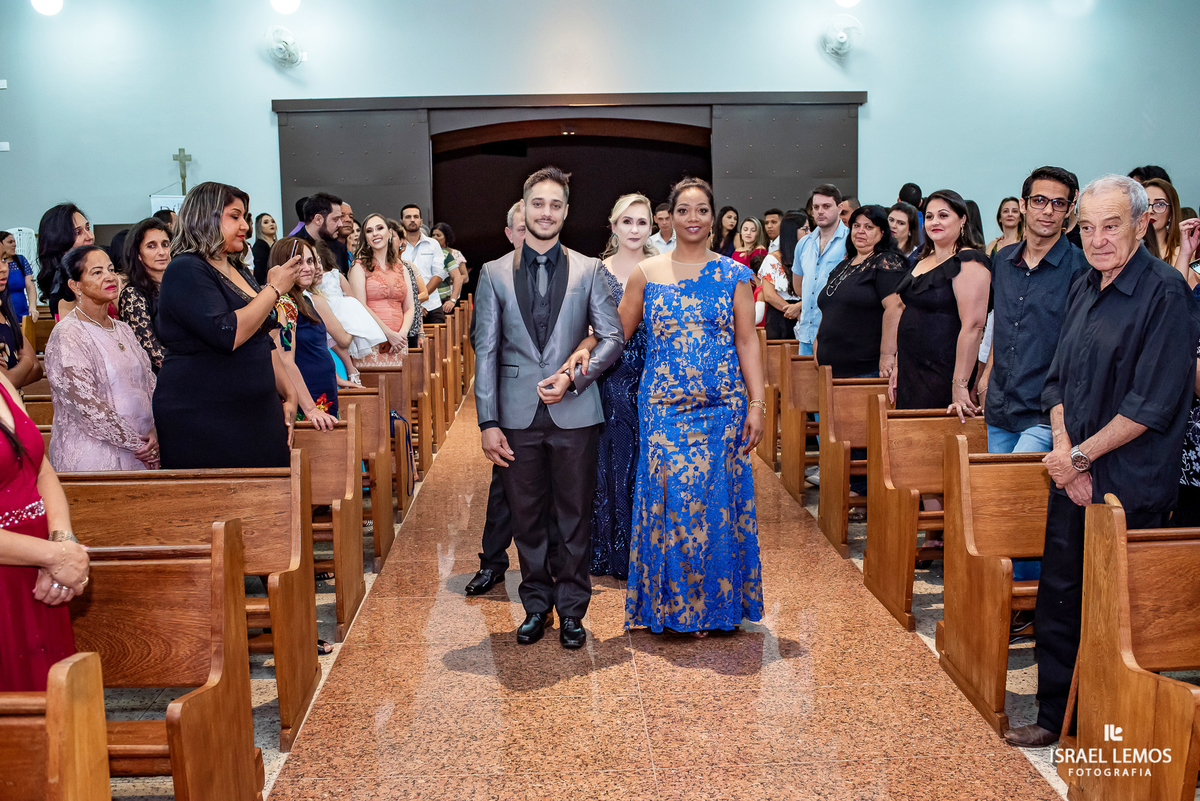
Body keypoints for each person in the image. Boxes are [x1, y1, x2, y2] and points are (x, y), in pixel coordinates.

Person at [1004, 174, 1200, 748]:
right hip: (1074, 474)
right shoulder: (1084, 286)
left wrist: (1083, 460)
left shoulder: (1164, 293)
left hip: (1128, 484)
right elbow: (1058, 378)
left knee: (1118, 618)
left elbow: (1153, 403)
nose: (1097, 239)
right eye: (1085, 227)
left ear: (1143, 224)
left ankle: (1112, 727)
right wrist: (1065, 452)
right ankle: (1055, 716)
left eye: (1111, 225)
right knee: (1060, 596)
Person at [474, 167, 623, 649]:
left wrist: (574, 378)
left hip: (576, 413)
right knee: (527, 516)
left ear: (565, 211)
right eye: (538, 204)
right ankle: (536, 606)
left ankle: (574, 609)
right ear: (525, 207)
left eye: (555, 205)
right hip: (516, 415)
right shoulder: (493, 272)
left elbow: (612, 337)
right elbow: (487, 351)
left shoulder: (589, 269)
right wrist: (488, 420)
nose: (546, 212)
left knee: (575, 515)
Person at [620, 177, 764, 636]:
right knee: (672, 503)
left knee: (714, 505)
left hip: (722, 408)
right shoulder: (645, 273)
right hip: (662, 407)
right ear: (670, 217)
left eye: (703, 210)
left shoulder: (736, 275)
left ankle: (715, 608)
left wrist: (756, 403)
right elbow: (614, 334)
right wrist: (575, 360)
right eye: (684, 210)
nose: (694, 218)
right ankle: (670, 607)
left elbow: (746, 341)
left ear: (714, 215)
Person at [153, 182, 299, 469]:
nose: (245, 225)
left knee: (272, 498)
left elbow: (262, 338)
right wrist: (274, 288)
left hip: (254, 410)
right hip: (205, 414)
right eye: (235, 216)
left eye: (245, 216)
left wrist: (289, 392)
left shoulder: (239, 269)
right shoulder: (185, 268)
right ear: (205, 217)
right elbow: (227, 333)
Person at [978, 167, 1088, 455]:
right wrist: (987, 374)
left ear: (1069, 210)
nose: (1048, 210)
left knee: (1017, 491)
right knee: (998, 493)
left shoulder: (1082, 268)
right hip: (1000, 404)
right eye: (1039, 200)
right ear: (1024, 204)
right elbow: (1001, 324)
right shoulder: (1002, 260)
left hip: (1046, 408)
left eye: (1058, 203)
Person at [0, 367, 89, 692]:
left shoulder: (1, 380)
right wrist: (55, 556)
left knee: (54, 713)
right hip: (10, 580)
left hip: (39, 580)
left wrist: (62, 540)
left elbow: (40, 468)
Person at [465, 199, 533, 597]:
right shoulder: (494, 274)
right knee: (504, 484)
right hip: (513, 395)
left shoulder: (570, 269)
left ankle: (552, 563)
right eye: (521, 228)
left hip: (558, 396)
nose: (530, 234)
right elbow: (482, 342)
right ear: (510, 233)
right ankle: (492, 563)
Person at [585, 193, 653, 579]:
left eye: (641, 222)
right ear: (613, 226)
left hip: (657, 376)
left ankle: (650, 549)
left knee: (651, 462)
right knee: (614, 462)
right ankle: (613, 550)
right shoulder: (596, 270)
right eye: (626, 221)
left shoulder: (663, 268)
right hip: (612, 377)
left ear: (651, 227)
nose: (634, 229)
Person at [45, 246, 157, 472]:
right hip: (97, 456)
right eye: (96, 272)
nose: (109, 277)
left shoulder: (123, 329)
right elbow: (87, 407)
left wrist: (155, 432)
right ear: (75, 285)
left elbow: (149, 382)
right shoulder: (67, 334)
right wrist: (139, 446)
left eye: (111, 269)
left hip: (144, 449)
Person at [889, 190, 990, 420]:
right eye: (930, 216)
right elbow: (908, 313)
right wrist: (898, 366)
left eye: (943, 215)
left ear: (962, 219)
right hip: (911, 370)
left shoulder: (969, 261)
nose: (935, 222)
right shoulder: (922, 260)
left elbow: (973, 327)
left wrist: (960, 385)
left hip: (942, 372)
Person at [814, 205, 907, 380]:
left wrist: (887, 357)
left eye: (869, 227)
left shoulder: (886, 262)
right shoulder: (843, 266)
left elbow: (895, 308)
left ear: (883, 232)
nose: (860, 231)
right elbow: (830, 308)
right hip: (829, 369)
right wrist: (818, 344)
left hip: (864, 369)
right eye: (856, 226)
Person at [269, 239, 344, 425]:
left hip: (322, 395)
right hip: (307, 401)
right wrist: (310, 408)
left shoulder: (305, 301)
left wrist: (337, 378)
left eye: (310, 261)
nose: (307, 267)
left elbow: (312, 349)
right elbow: (284, 360)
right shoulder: (284, 303)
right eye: (298, 262)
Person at [350, 213, 415, 362]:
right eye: (369, 230)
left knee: (401, 384)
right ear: (365, 238)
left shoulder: (402, 268)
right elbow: (360, 306)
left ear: (389, 233)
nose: (375, 234)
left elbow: (410, 307)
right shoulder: (359, 267)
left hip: (399, 342)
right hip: (372, 341)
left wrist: (402, 335)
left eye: (379, 228)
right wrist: (388, 334)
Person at [792, 184, 848, 355]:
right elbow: (798, 286)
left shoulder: (850, 240)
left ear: (839, 208)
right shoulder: (804, 243)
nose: (820, 211)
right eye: (816, 207)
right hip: (807, 332)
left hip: (838, 334)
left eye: (826, 206)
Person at [117, 217, 171, 372]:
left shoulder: (178, 287)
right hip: (161, 377)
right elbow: (150, 352)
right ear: (138, 254)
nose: (161, 252)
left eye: (165, 244)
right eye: (151, 246)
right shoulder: (133, 295)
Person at [400, 204, 459, 325]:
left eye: (416, 217)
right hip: (404, 307)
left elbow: (438, 275)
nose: (412, 220)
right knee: (409, 343)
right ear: (401, 221)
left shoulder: (433, 244)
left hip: (433, 304)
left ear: (421, 221)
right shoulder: (396, 246)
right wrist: (413, 304)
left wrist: (419, 299)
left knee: (441, 341)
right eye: (408, 217)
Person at [36, 203, 94, 320]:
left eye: (88, 228)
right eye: (78, 233)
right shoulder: (62, 287)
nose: (89, 236)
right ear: (59, 241)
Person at [0, 251, 42, 391]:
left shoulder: (5, 312)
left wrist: (13, 375)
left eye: (4, 259)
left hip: (14, 408)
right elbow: (6, 382)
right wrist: (26, 361)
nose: (4, 268)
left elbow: (36, 369)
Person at [758, 216, 804, 341]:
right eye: (805, 229)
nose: (809, 233)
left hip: (805, 312)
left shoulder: (811, 259)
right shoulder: (772, 259)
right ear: (792, 232)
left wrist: (800, 306)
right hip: (780, 313)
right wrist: (795, 312)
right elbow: (769, 295)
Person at [387, 219, 429, 348]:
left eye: (392, 237)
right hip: (386, 326)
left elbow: (415, 303)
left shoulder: (407, 268)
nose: (387, 240)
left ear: (401, 241)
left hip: (409, 329)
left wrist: (421, 332)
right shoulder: (369, 267)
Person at [297, 193, 350, 275]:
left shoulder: (339, 247)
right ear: (318, 219)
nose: (340, 224)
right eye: (335, 219)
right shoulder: (293, 246)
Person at [1142, 177, 1181, 265]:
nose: (1150, 211)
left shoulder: (1181, 253)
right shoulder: (1128, 251)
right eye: (1145, 204)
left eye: (1160, 204)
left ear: (1171, 213)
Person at [0, 232, 38, 323]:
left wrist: (32, 306)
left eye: (14, 242)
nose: (14, 245)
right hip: (3, 313)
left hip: (22, 313)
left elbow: (30, 286)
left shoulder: (21, 260)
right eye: (10, 242)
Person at [431, 222, 467, 312]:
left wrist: (454, 278)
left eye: (438, 235)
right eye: (433, 235)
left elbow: (465, 277)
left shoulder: (455, 254)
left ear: (446, 237)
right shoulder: (430, 254)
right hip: (436, 295)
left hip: (452, 295)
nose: (435, 238)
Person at [252, 212, 278, 285]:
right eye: (266, 222)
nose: (271, 224)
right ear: (259, 227)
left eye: (273, 221)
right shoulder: (259, 246)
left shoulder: (277, 244)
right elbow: (259, 271)